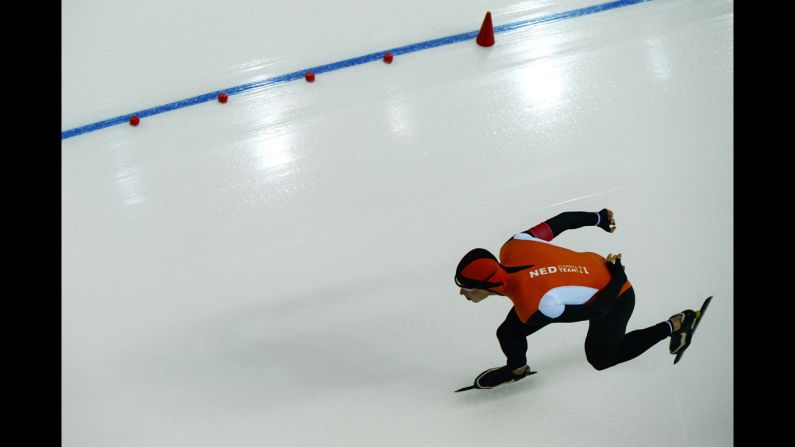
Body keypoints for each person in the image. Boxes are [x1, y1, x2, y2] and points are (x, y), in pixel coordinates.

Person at [454, 209, 701, 389]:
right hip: (587, 276)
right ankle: (517, 369)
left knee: (600, 359)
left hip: (616, 295)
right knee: (509, 332)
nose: (462, 293)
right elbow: (561, 222)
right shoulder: (513, 246)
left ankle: (676, 324)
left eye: (466, 288)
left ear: (487, 285)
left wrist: (618, 276)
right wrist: (598, 218)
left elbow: (598, 309)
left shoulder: (534, 306)